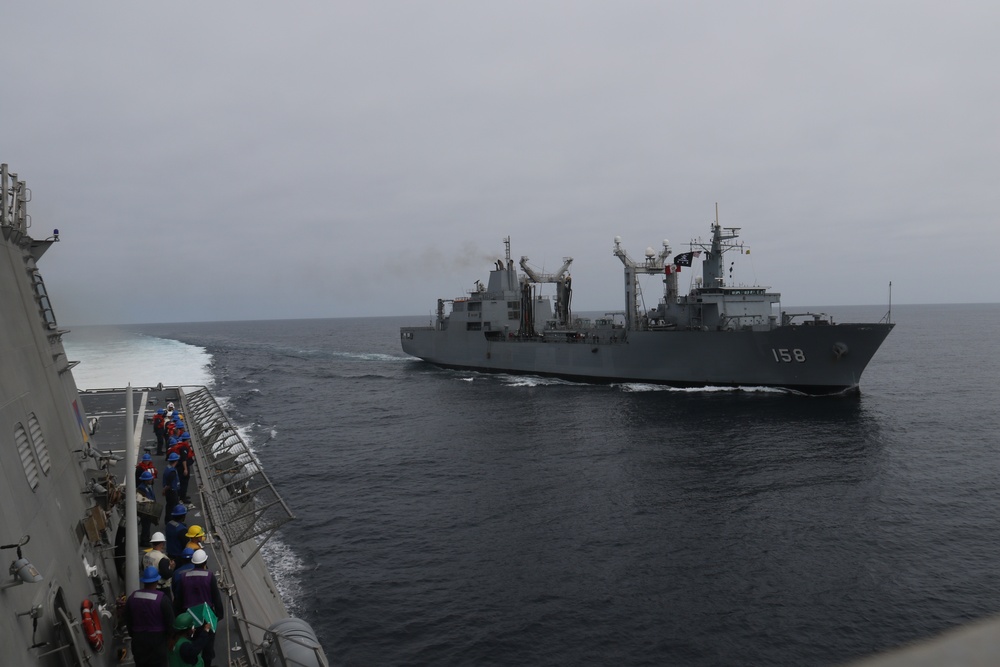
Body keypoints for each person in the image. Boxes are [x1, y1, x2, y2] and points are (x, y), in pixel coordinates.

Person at [176, 549, 224, 667]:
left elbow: (178, 600)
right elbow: (216, 598)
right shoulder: (209, 576)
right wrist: (219, 616)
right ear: (205, 562)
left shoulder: (183, 577)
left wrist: (178, 617)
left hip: (189, 618)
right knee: (207, 648)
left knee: (191, 646)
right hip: (206, 617)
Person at [123, 565, 175, 666]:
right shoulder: (162, 599)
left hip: (139, 641)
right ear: (157, 581)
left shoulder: (133, 597)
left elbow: (128, 619)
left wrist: (134, 634)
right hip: (157, 641)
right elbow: (171, 623)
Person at [142, 533, 175, 598]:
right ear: (162, 544)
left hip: (148, 587)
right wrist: (171, 568)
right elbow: (166, 575)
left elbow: (143, 568)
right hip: (161, 588)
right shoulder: (162, 558)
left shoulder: (146, 555)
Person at [137, 470, 157, 547]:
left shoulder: (149, 486)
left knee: (148, 525)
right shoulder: (141, 488)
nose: (151, 480)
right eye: (149, 479)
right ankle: (144, 541)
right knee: (145, 526)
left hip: (149, 509)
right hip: (145, 511)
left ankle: (147, 538)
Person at [162, 453, 181, 523]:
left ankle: (168, 520)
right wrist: (164, 490)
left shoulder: (168, 468)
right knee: (173, 506)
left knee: (169, 506)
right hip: (172, 491)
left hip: (169, 491)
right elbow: (169, 484)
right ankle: (171, 520)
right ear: (176, 461)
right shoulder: (172, 471)